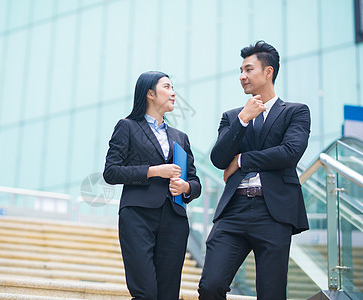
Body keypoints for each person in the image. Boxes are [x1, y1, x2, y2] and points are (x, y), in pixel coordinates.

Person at [198, 41, 311, 300]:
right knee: (210, 285)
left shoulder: (295, 112)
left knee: (271, 294)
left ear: (268, 71)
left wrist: (241, 161)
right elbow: (218, 158)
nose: (242, 76)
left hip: (274, 213)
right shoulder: (232, 116)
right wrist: (243, 120)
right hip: (233, 211)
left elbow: (289, 153)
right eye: (240, 70)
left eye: (248, 69)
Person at [103, 71, 201, 300]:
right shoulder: (127, 127)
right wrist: (154, 171)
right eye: (167, 87)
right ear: (149, 93)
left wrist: (185, 188)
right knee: (145, 292)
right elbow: (110, 172)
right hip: (137, 216)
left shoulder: (180, 137)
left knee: (168, 295)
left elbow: (195, 182)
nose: (173, 92)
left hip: (174, 219)